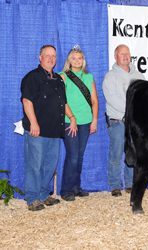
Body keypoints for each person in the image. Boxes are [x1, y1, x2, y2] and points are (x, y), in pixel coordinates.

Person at [21, 45, 66, 211]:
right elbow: (27, 101)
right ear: (40, 57)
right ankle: (32, 198)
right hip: (37, 130)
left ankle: (43, 194)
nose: (51, 58)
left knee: (50, 165)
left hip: (54, 129)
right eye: (47, 55)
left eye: (53, 56)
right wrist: (33, 122)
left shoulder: (59, 79)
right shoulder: (32, 77)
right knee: (35, 164)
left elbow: (62, 103)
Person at [102, 44, 145, 197]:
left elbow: (144, 98)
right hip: (118, 121)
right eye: (122, 54)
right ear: (116, 57)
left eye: (127, 53)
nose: (125, 56)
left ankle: (130, 183)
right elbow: (112, 99)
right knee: (115, 154)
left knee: (133, 153)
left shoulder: (139, 75)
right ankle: (114, 185)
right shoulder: (110, 76)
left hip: (134, 123)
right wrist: (132, 110)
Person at [59, 45, 99, 202]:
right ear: (69, 61)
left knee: (80, 156)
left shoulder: (89, 77)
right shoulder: (63, 76)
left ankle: (76, 187)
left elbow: (94, 101)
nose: (76, 61)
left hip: (86, 121)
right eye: (73, 58)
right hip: (70, 121)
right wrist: (71, 118)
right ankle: (66, 190)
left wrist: (94, 119)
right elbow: (61, 100)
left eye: (79, 58)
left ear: (83, 61)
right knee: (73, 155)